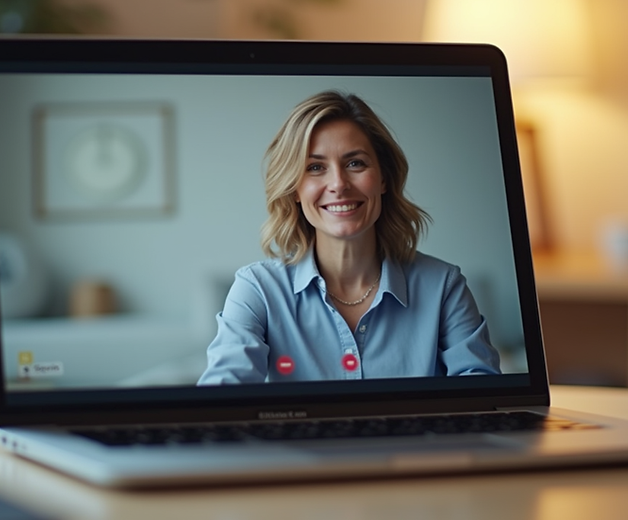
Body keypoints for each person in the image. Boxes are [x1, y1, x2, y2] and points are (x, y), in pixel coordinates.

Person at [198, 91, 500, 385]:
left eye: (355, 163)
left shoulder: (443, 287)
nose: (339, 184)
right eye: (315, 167)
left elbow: (484, 398)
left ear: (383, 178)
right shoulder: (258, 289)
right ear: (294, 189)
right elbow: (221, 399)